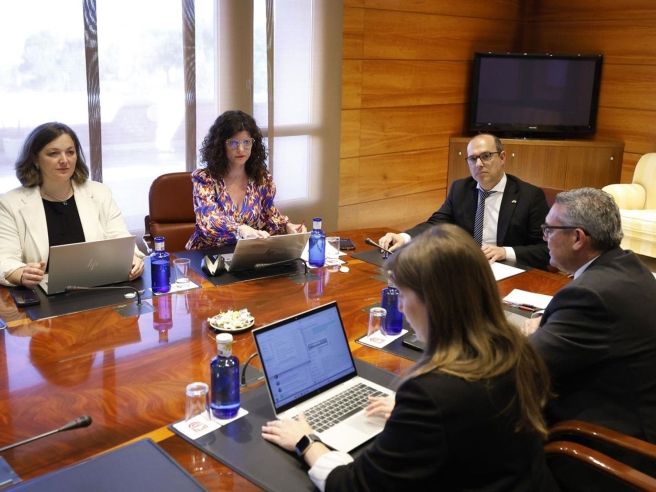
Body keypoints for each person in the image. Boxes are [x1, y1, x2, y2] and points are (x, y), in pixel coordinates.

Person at [262, 224, 557, 491]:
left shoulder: (431, 394)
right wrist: (411, 417)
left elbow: (354, 485)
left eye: (403, 295)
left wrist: (306, 441)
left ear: (434, 302)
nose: (401, 308)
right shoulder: (514, 350)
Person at [526, 187, 656, 443]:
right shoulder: (630, 266)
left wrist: (534, 333)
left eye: (549, 230)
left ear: (577, 237)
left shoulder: (589, 295)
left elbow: (526, 364)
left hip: (610, 443)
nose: (544, 238)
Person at [0, 122, 144, 288]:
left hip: (98, 286)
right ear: (35, 159)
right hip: (42, 292)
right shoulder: (10, 203)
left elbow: (120, 239)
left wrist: (133, 259)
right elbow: (4, 258)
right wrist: (21, 273)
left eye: (70, 152)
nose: (64, 160)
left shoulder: (99, 192)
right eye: (53, 153)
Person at [378, 133, 550, 269]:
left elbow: (545, 250)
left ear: (502, 157)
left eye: (486, 156)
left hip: (508, 271)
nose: (479, 164)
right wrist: (403, 237)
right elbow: (436, 224)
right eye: (473, 159)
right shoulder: (460, 189)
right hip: (465, 269)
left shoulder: (530, 196)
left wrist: (504, 252)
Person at [185, 110, 305, 249]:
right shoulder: (205, 179)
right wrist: (240, 229)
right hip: (208, 254)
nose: (241, 149)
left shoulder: (261, 178)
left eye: (246, 142)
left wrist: (287, 227)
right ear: (220, 145)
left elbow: (269, 215)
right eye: (233, 143)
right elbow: (209, 222)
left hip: (245, 253)